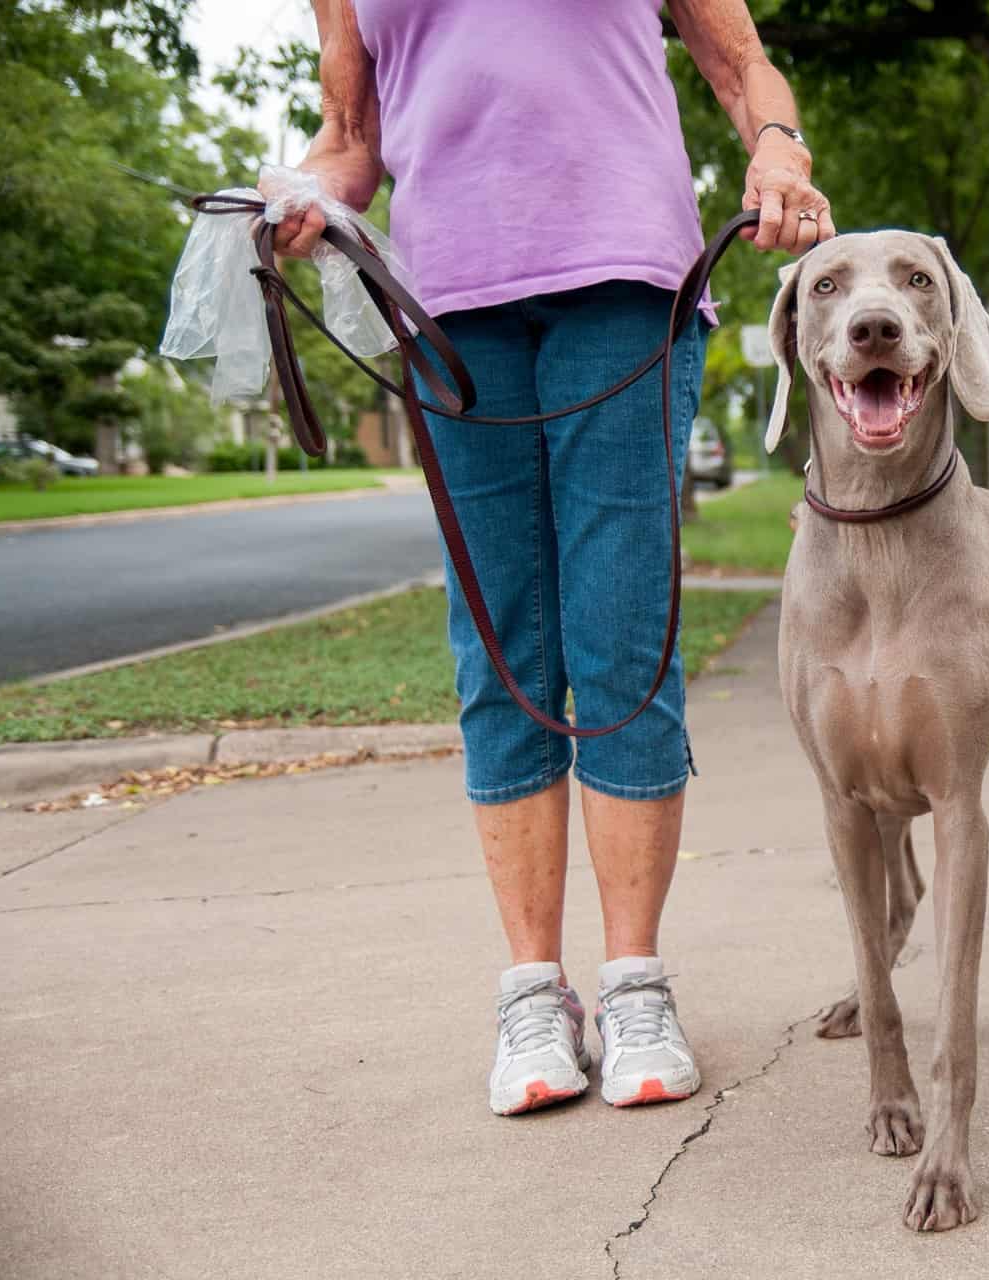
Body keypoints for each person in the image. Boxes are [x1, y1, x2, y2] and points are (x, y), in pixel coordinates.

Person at [274, 0, 834, 1116]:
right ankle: (534, 993)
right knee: (501, 649)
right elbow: (353, 139)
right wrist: (297, 200)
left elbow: (741, 65)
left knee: (620, 636)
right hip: (446, 308)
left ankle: (635, 986)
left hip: (623, 283)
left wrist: (777, 149)